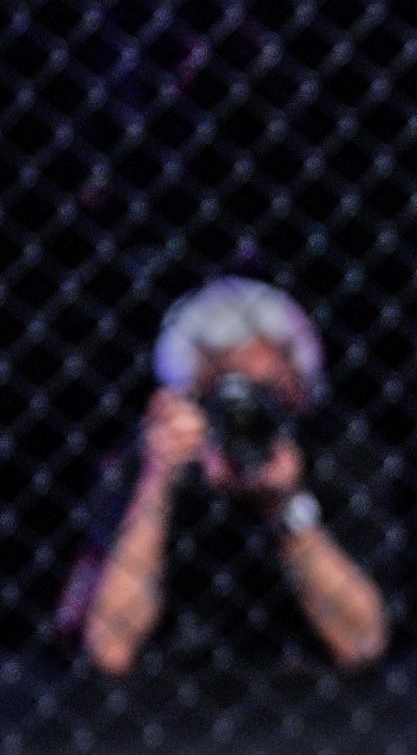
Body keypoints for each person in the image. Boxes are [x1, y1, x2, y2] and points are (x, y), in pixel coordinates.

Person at [63, 277, 389, 677]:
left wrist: (288, 505)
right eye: (227, 393)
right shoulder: (147, 461)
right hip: (165, 707)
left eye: (264, 391)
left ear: (299, 384)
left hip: (322, 703)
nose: (243, 416)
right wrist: (158, 482)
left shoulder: (340, 454)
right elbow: (111, 649)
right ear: (190, 393)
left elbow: (362, 641)